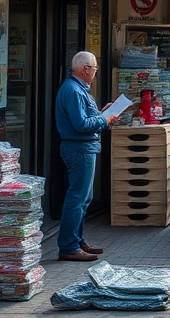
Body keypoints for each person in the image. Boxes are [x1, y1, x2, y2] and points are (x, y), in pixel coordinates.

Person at [54, 51, 119, 262]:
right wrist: (104, 120)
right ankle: (69, 246)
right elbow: (80, 125)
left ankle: (77, 241)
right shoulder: (73, 91)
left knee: (84, 198)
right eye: (95, 68)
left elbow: (84, 120)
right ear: (85, 69)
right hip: (79, 149)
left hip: (84, 148)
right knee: (77, 198)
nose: (95, 73)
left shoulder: (77, 89)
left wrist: (102, 114)